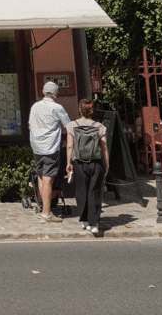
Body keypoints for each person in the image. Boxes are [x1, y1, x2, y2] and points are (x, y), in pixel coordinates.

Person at [28, 80, 70, 222]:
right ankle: (46, 213)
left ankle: (44, 208)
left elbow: (29, 125)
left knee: (41, 176)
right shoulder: (57, 108)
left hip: (36, 146)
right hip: (50, 146)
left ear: (43, 92)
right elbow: (69, 127)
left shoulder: (35, 106)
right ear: (56, 93)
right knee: (48, 178)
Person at [66, 98, 109, 237]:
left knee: (81, 191)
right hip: (96, 162)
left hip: (79, 162)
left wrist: (69, 162)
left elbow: (70, 146)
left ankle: (84, 220)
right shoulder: (99, 126)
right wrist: (107, 164)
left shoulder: (72, 125)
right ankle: (94, 224)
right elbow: (104, 147)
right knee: (94, 192)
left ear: (80, 110)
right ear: (92, 111)